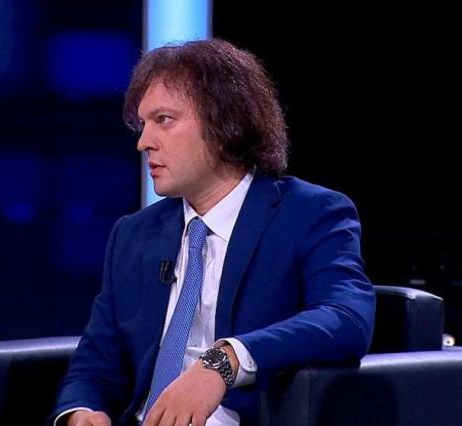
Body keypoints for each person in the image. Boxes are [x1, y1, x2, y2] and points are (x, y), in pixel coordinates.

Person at [50, 39, 375, 426]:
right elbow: (95, 365)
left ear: (224, 123)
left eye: (163, 120)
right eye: (143, 124)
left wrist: (226, 360)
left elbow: (346, 318)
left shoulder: (309, 214)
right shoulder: (134, 234)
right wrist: (81, 412)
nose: (143, 142)